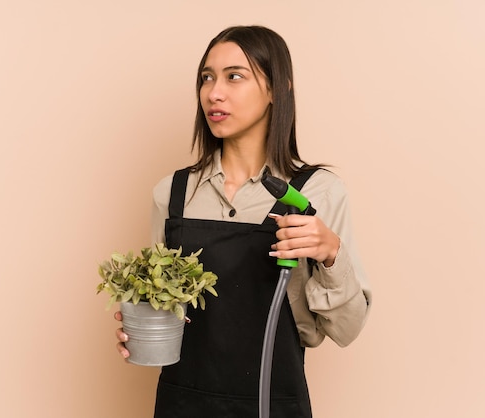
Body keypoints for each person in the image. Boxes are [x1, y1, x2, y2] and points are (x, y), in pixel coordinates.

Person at [114, 25, 372, 417]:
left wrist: (331, 252)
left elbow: (346, 330)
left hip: (273, 404)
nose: (214, 92)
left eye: (235, 76)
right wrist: (140, 325)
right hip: (183, 403)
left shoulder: (317, 193)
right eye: (207, 77)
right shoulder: (173, 193)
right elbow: (162, 306)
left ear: (276, 89)